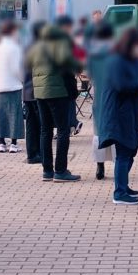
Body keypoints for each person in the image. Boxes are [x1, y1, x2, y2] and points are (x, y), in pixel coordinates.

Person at [97, 27, 138, 205]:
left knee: (131, 149)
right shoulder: (116, 60)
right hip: (117, 113)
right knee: (123, 151)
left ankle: (123, 186)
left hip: (127, 112)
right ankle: (119, 192)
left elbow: (131, 85)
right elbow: (121, 85)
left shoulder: (126, 59)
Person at [29, 18, 83, 182]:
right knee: (62, 130)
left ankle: (47, 170)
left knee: (45, 131)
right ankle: (60, 170)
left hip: (39, 93)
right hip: (58, 92)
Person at [85, 21, 117, 180]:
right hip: (114, 95)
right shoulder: (115, 52)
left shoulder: (92, 54)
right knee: (117, 131)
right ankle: (120, 166)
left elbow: (88, 75)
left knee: (99, 131)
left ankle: (100, 166)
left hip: (98, 96)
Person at [0, 21, 24, 154]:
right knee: (15, 115)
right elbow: (17, 69)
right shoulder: (15, 48)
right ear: (12, 32)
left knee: (2, 115)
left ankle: (1, 142)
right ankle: (14, 144)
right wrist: (23, 79)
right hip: (14, 86)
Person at [22, 20, 46, 164]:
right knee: (43, 125)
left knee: (31, 124)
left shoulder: (27, 47)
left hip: (27, 90)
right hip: (37, 89)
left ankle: (32, 154)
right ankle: (42, 154)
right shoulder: (41, 48)